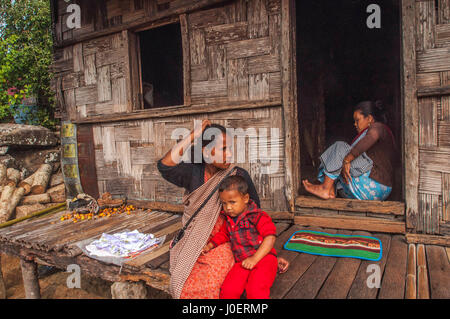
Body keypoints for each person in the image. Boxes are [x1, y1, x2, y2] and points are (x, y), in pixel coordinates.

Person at [158, 120, 289, 299]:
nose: (229, 154)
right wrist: (194, 135)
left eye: (230, 149)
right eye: (223, 149)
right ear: (206, 152)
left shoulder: (238, 176)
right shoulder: (193, 172)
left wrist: (269, 256)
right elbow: (165, 166)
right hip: (195, 239)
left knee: (213, 282)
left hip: (227, 239)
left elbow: (254, 217)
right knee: (183, 278)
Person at [302, 100, 396, 201]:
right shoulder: (369, 134)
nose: (355, 124)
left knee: (340, 147)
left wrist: (347, 159)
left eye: (357, 120)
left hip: (374, 186)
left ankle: (325, 188)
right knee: (336, 160)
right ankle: (331, 190)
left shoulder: (378, 127)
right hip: (371, 191)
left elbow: (369, 139)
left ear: (369, 119)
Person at [202, 175, 277, 299]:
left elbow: (270, 237)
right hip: (241, 261)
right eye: (224, 203)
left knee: (255, 290)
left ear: (246, 198)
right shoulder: (229, 219)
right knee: (228, 291)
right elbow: (223, 234)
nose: (228, 207)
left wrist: (255, 258)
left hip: (264, 258)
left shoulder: (257, 216)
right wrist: (210, 245)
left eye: (232, 202)